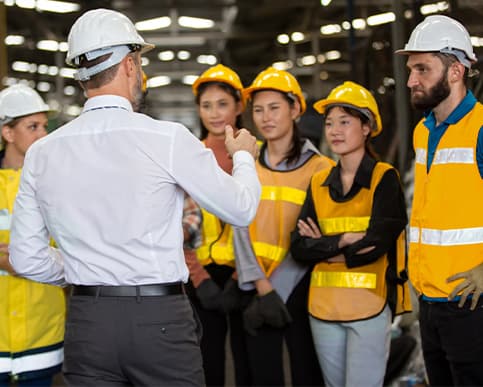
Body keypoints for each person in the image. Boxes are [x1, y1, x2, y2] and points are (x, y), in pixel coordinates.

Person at [8, 8, 260, 387]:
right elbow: (241, 209)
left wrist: (84, 266)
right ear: (129, 64)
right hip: (159, 321)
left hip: (87, 322)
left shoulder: (43, 153)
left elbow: (25, 257)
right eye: (139, 62)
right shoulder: (167, 138)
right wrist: (243, 156)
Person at [290, 81, 411, 387]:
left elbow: (377, 243)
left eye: (345, 122)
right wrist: (343, 241)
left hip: (369, 307)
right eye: (330, 123)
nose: (335, 131)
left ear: (367, 126)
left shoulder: (385, 178)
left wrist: (324, 247)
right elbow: (299, 247)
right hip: (323, 309)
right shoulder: (319, 182)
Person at [396, 14, 483, 386]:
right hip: (429, 302)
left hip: (471, 304)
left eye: (422, 68)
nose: (411, 80)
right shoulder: (422, 131)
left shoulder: (480, 129)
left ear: (456, 71)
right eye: (410, 69)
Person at [234, 66, 332, 386]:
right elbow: (239, 226)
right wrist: (262, 288)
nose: (266, 117)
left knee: (308, 372)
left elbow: (316, 236)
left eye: (275, 108)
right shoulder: (246, 164)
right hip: (255, 288)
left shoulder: (320, 169)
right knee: (264, 375)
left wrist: (283, 286)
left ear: (294, 109)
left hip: (304, 286)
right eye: (258, 110)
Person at [0, 84, 65, 387]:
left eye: (44, 126)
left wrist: (15, 257)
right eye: (32, 126)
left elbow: (67, 250)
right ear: (8, 132)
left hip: (43, 328)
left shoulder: (57, 184)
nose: (43, 134)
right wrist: (30, 256)